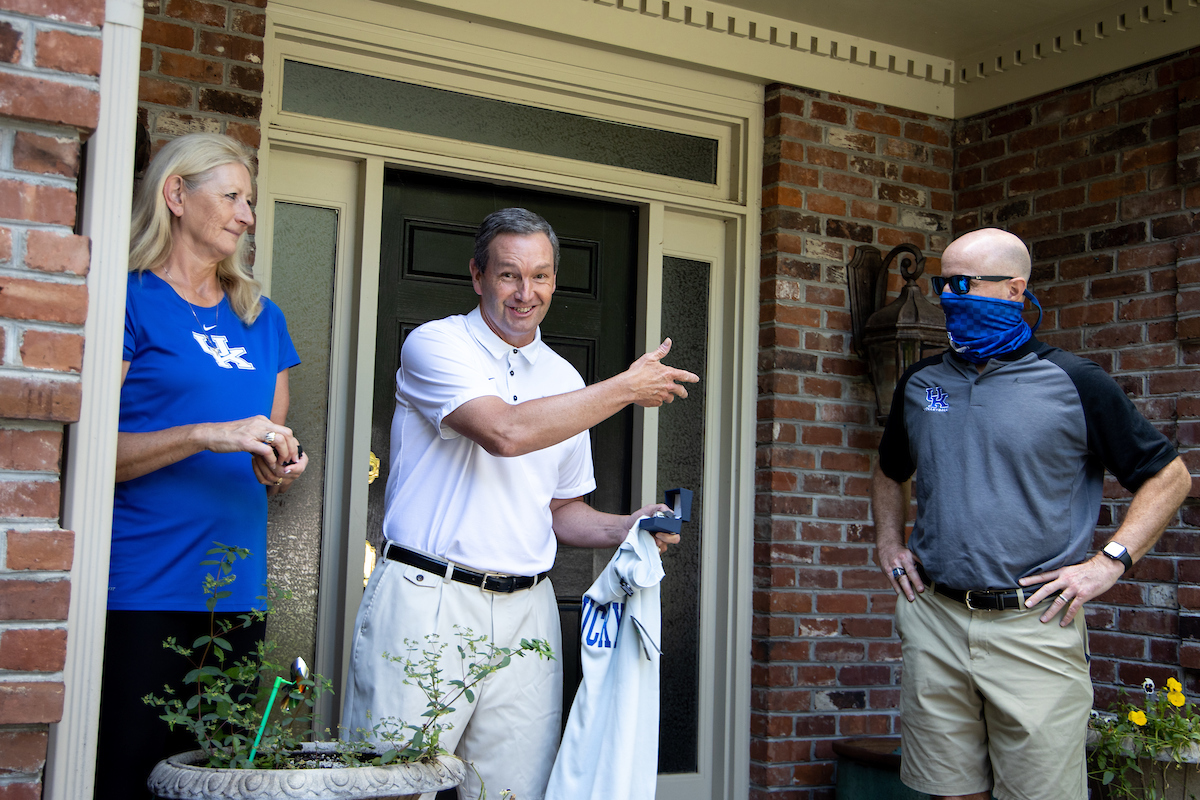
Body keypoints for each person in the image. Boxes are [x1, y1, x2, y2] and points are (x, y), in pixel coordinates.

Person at [342, 207, 699, 800]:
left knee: (512, 793)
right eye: (509, 275)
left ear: (555, 281)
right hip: (429, 599)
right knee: (393, 786)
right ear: (478, 275)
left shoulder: (565, 380)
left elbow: (561, 512)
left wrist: (627, 525)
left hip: (528, 612)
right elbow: (504, 432)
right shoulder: (435, 344)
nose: (524, 292)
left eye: (540, 276)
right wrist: (623, 389)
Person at [871, 227, 1191, 800]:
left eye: (965, 284)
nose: (949, 297)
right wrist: (890, 543)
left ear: (1016, 290)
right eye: (945, 283)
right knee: (950, 791)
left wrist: (1110, 562)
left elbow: (1169, 476)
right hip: (936, 620)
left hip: (1035, 626)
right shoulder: (922, 383)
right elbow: (891, 469)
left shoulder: (1076, 382)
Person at [95, 133, 309, 799]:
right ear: (176, 195)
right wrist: (204, 434)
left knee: (217, 785)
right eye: (232, 197)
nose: (247, 214)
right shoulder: (125, 299)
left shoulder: (261, 319)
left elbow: (267, 444)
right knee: (130, 779)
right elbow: (90, 457)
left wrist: (278, 464)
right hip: (141, 591)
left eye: (249, 201)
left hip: (234, 597)